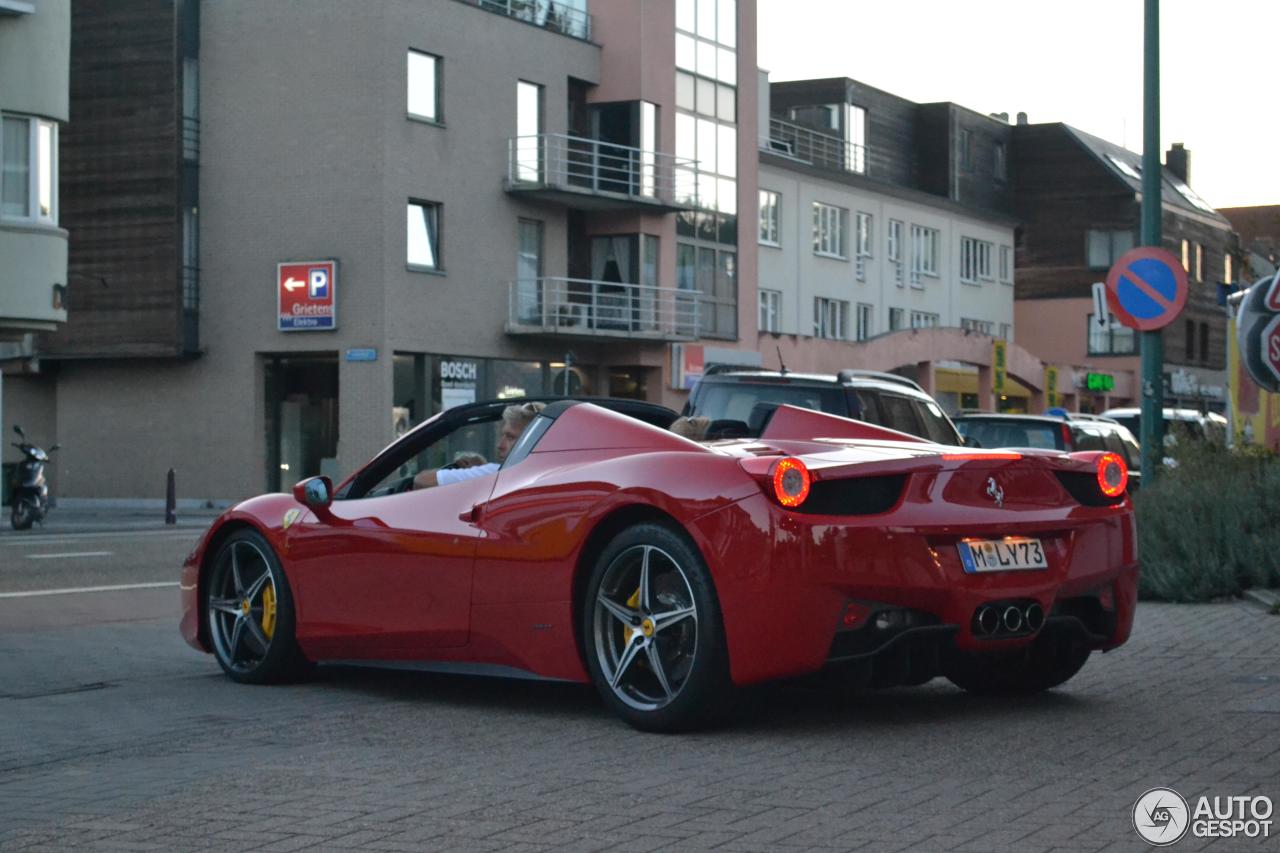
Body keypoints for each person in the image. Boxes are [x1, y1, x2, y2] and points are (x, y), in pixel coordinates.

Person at [412, 401, 546, 488]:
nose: (500, 445)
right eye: (502, 435)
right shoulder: (546, 476)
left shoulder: (496, 472)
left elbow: (422, 481)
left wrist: (471, 472)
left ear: (532, 442)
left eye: (511, 437)